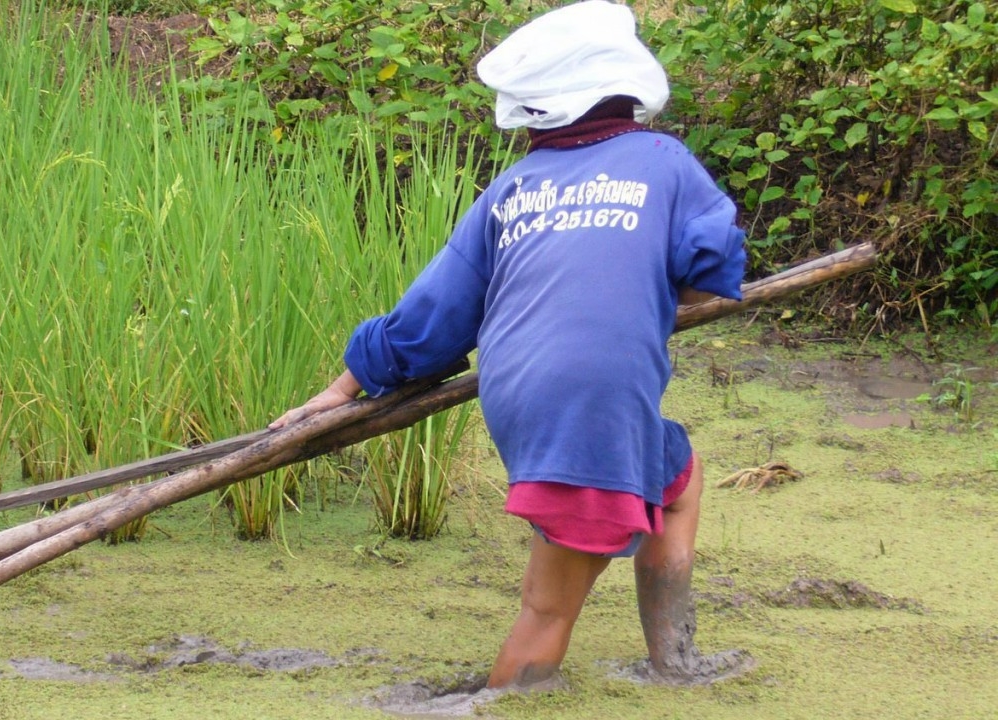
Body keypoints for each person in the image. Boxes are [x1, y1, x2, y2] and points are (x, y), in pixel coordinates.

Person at [270, 0, 747, 688]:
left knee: (677, 478)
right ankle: (505, 699)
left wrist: (344, 387)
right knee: (549, 608)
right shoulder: (666, 162)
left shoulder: (511, 189)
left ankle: (673, 664)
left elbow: (431, 319)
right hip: (591, 407)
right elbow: (711, 268)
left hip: (519, 396)